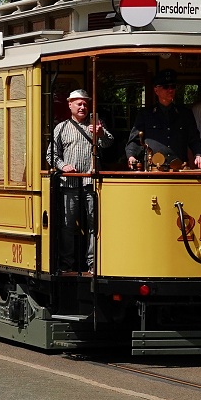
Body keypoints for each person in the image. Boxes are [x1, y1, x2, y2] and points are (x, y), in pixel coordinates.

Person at [47, 88, 113, 273]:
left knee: (94, 225)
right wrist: (63, 166)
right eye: (79, 103)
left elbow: (110, 143)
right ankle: (67, 265)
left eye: (85, 103)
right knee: (67, 226)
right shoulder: (61, 128)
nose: (83, 107)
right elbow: (50, 154)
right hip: (69, 185)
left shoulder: (96, 125)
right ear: (70, 105)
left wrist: (100, 134)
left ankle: (93, 264)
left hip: (91, 184)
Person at [126, 69, 201, 170]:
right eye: (166, 87)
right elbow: (136, 140)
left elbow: (194, 139)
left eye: (173, 86)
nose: (170, 90)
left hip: (179, 169)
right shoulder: (145, 114)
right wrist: (131, 156)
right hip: (153, 169)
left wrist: (198, 155)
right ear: (156, 90)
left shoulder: (185, 114)